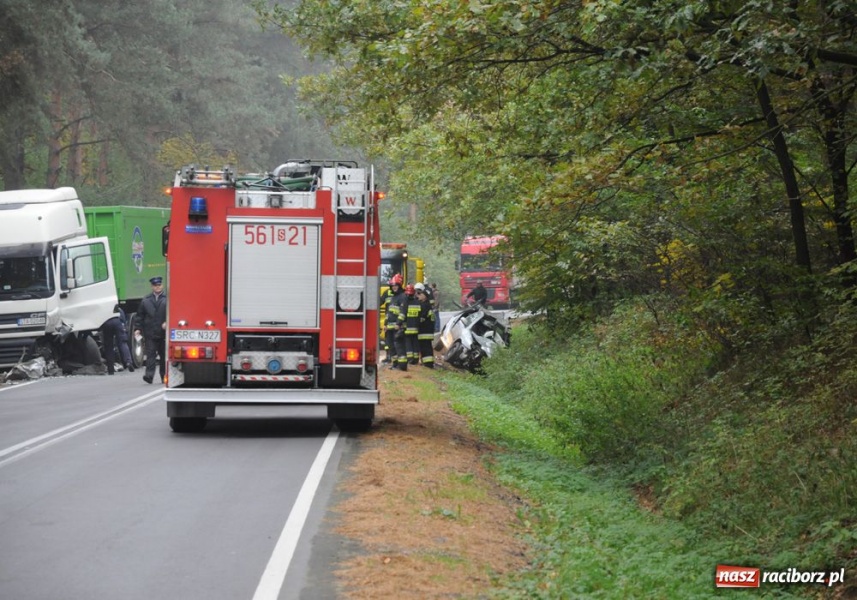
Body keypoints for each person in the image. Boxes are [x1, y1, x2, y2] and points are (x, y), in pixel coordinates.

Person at [135, 276, 167, 384]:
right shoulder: (146, 300)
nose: (157, 287)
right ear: (152, 287)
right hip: (150, 332)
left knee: (163, 356)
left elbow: (173, 313)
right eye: (155, 285)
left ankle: (164, 375)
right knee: (150, 355)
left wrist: (168, 322)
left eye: (159, 285)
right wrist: (137, 329)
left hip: (164, 333)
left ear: (162, 285)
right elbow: (140, 316)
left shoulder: (168, 298)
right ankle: (149, 375)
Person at [101, 304, 134, 375]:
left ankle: (111, 369)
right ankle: (128, 362)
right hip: (117, 323)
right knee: (122, 343)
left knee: (109, 347)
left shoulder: (103, 308)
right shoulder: (117, 308)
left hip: (107, 324)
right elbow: (123, 319)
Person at [381, 274, 405, 364]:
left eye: (396, 286)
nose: (394, 287)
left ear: (399, 285)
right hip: (389, 326)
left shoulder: (402, 296)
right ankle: (394, 363)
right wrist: (386, 325)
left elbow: (402, 312)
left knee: (398, 346)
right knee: (390, 345)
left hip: (396, 326)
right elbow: (389, 312)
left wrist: (398, 324)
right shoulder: (391, 296)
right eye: (393, 286)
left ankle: (401, 364)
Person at [415, 284, 435, 368]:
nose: (417, 295)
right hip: (428, 330)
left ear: (425, 296)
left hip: (424, 331)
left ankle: (428, 364)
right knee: (426, 347)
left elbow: (421, 318)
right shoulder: (427, 304)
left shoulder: (424, 305)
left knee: (425, 347)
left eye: (420, 294)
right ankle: (427, 363)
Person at [403, 284, 422, 365]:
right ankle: (416, 359)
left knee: (408, 344)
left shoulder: (405, 303)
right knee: (415, 344)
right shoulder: (418, 303)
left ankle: (410, 359)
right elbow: (420, 316)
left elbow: (402, 315)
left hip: (407, 328)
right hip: (416, 328)